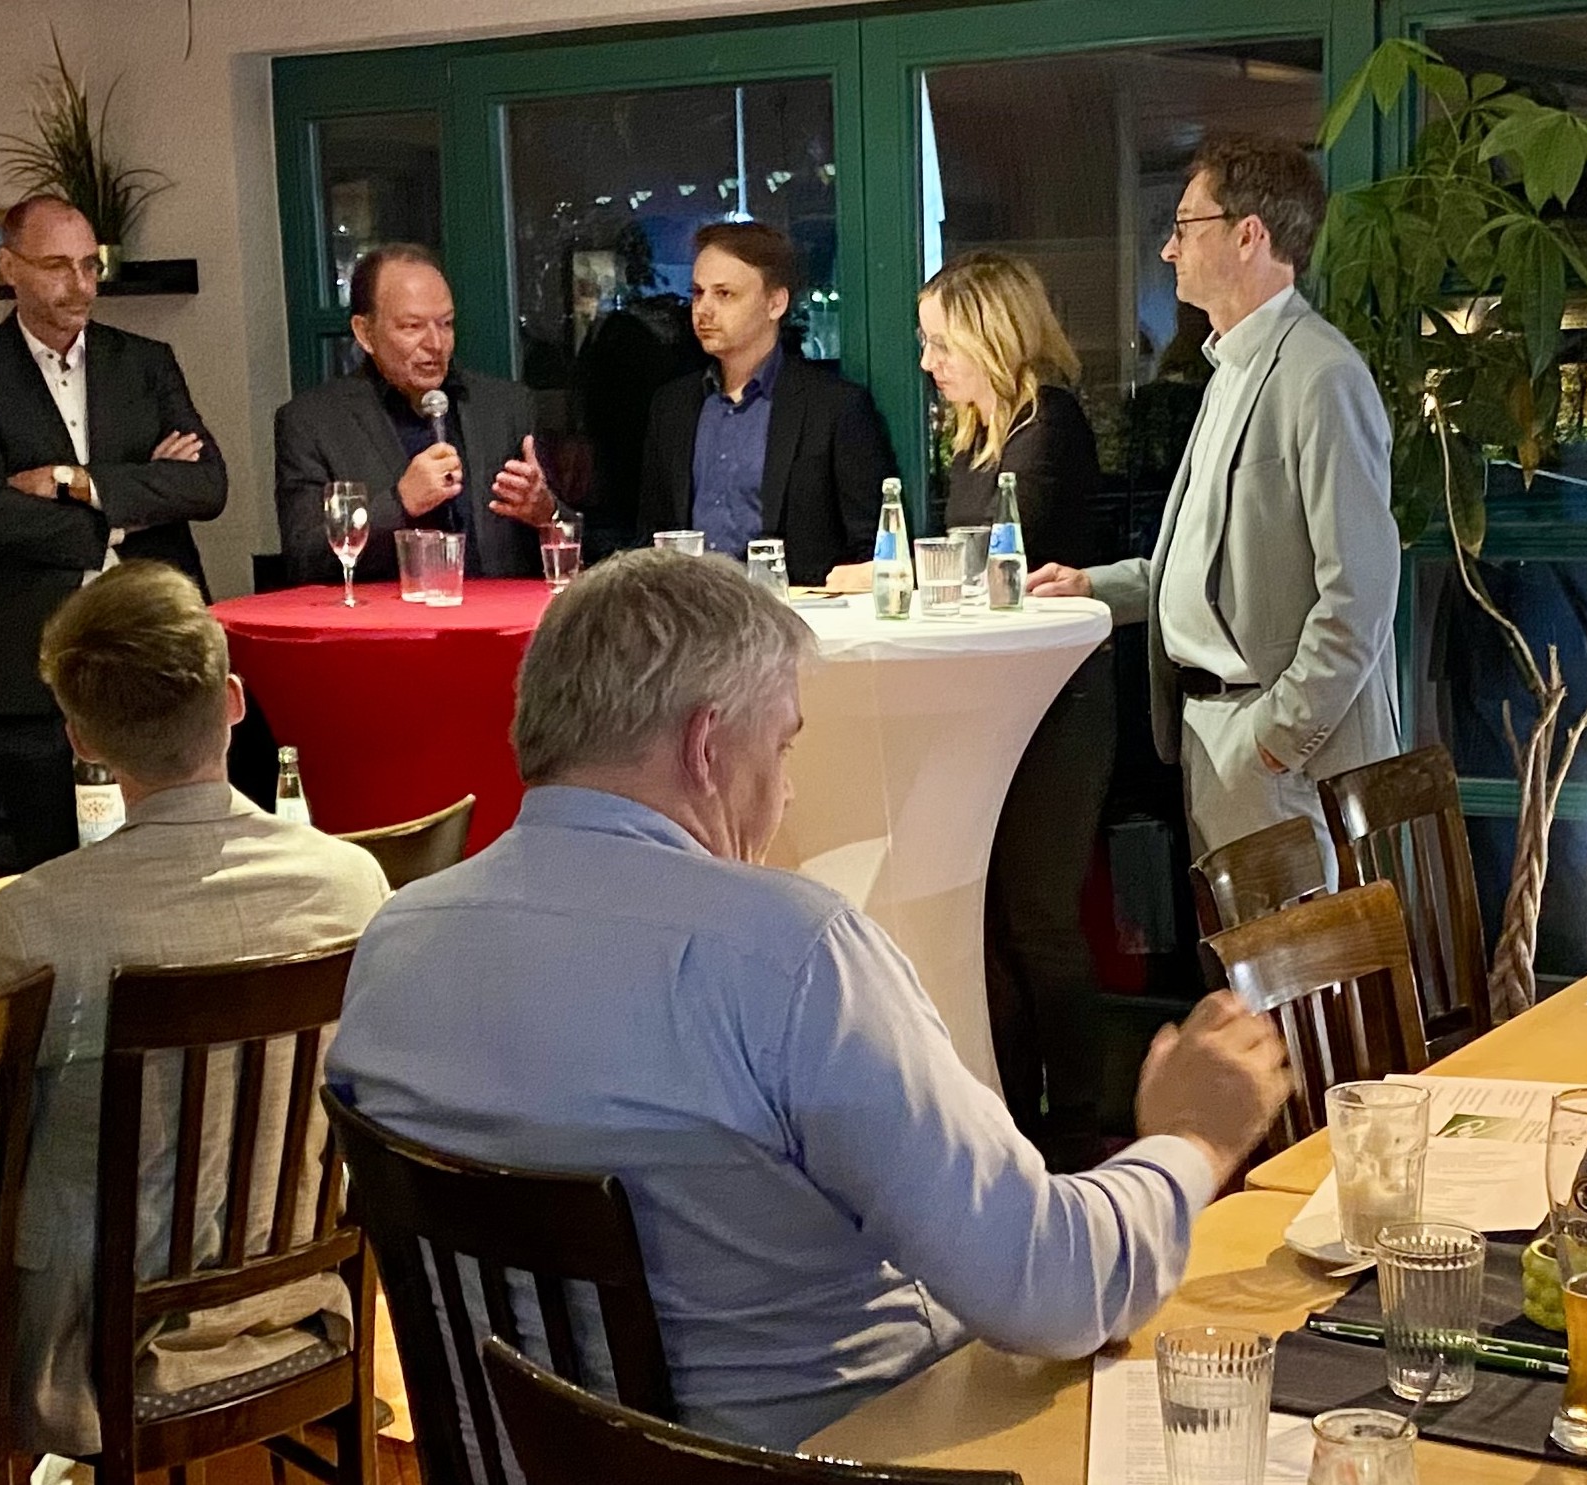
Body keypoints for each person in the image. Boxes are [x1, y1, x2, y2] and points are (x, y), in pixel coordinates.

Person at [324, 550, 1291, 1451]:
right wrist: (1190, 1139)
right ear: (708, 745)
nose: (785, 794)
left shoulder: (393, 944)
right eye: (783, 747)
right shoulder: (787, 956)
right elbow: (1047, 1287)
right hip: (819, 1461)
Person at [0, 561, 389, 1459]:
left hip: (84, 1343)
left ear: (82, 739)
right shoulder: (350, 883)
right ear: (233, 701)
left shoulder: (34, 918)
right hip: (299, 1295)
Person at [1028, 136, 1400, 860]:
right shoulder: (1232, 366)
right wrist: (1093, 587)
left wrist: (1279, 736)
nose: (1168, 249)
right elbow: (1210, 563)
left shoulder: (1321, 374)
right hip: (1211, 725)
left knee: (1291, 942)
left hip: (1273, 744)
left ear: (1248, 235)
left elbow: (1360, 592)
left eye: (1185, 226)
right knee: (1240, 939)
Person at [0, 193, 227, 873]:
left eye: (90, 265)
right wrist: (131, 507)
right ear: (9, 267)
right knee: (50, 867)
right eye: (57, 267)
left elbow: (207, 486)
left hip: (159, 643)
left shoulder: (145, 361)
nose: (81, 285)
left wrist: (77, 482)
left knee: (179, 859)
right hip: (28, 657)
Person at [916, 251, 1116, 1158]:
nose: (928, 362)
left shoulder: (1050, 424)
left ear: (990, 335)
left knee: (1039, 916)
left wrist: (889, 573)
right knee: (994, 917)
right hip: (999, 705)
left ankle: (1075, 1124)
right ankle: (1014, 1116)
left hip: (1061, 706)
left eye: (941, 342)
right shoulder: (978, 434)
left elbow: (998, 561)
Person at [274, 244, 558, 586]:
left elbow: (570, 535)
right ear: (365, 333)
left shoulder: (506, 407)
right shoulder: (313, 422)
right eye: (412, 326)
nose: (435, 343)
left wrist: (545, 512)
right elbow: (305, 558)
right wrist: (399, 504)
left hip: (499, 615)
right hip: (388, 617)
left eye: (446, 324)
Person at [638, 222, 897, 585]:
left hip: (793, 610)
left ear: (776, 303)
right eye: (697, 293)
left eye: (724, 294)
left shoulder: (834, 408)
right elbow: (650, 537)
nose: (703, 309)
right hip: (690, 607)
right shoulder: (673, 406)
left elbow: (876, 550)